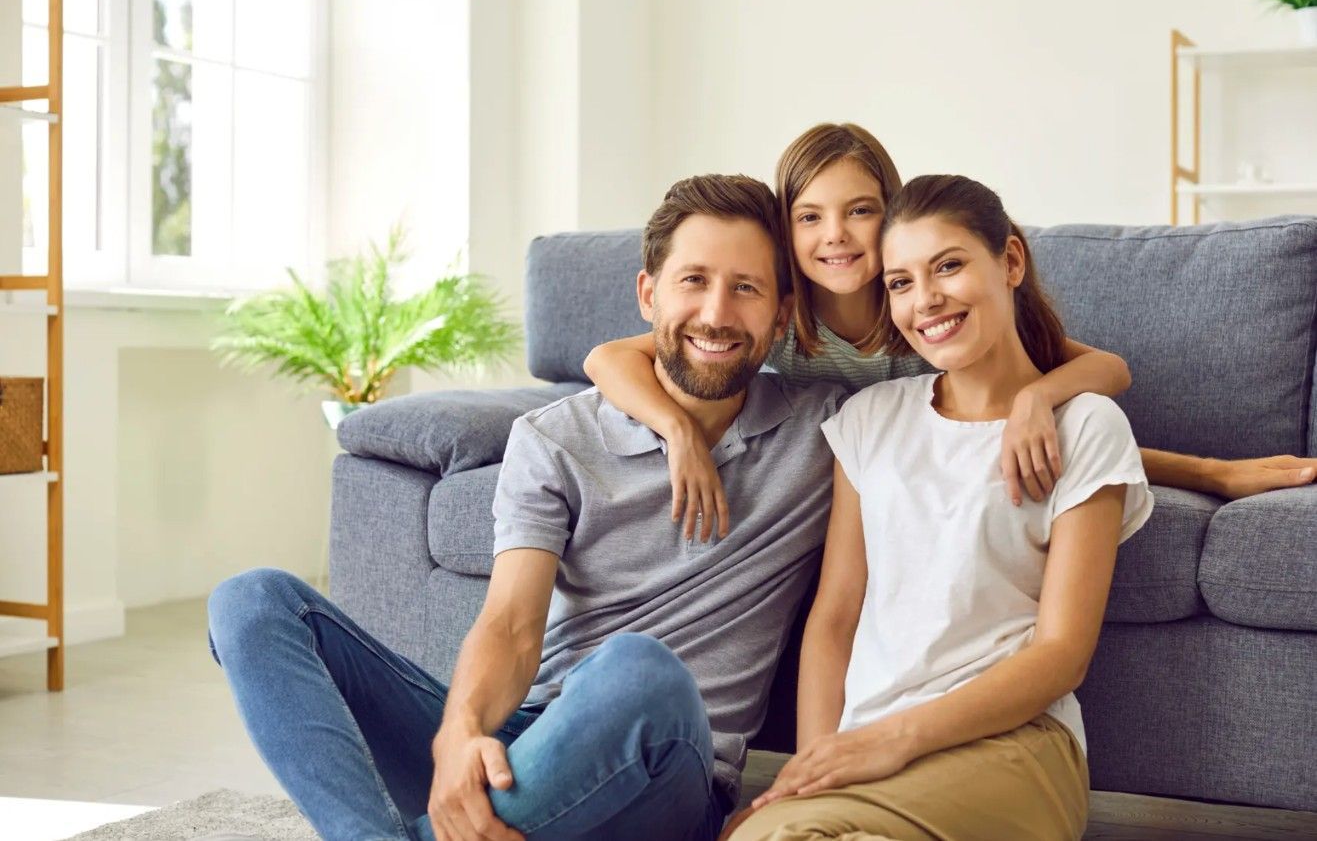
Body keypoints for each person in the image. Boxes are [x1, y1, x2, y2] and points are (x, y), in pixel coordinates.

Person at [207, 174, 848, 841]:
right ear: (647, 294)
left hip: (671, 767)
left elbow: (922, 351)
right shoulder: (553, 437)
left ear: (780, 315)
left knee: (640, 667)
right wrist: (459, 733)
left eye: (744, 287)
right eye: (693, 280)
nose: (716, 312)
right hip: (530, 738)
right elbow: (512, 624)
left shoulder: (823, 431)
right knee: (251, 600)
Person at [583, 123, 1317, 544]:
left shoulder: (926, 313)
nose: (835, 236)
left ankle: (1210, 470)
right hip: (842, 475)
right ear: (786, 227)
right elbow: (606, 356)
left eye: (860, 211)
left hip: (949, 451)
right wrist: (677, 432)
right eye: (810, 216)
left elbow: (1108, 370)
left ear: (892, 214)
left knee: (1027, 430)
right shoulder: (776, 318)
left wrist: (1035, 400)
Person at [723, 174, 1155, 841]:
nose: (925, 300)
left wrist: (897, 738)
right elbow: (835, 615)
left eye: (947, 266)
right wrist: (812, 765)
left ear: (1010, 262)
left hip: (1011, 743)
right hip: (868, 739)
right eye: (898, 282)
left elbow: (1062, 651)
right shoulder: (869, 418)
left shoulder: (1087, 425)